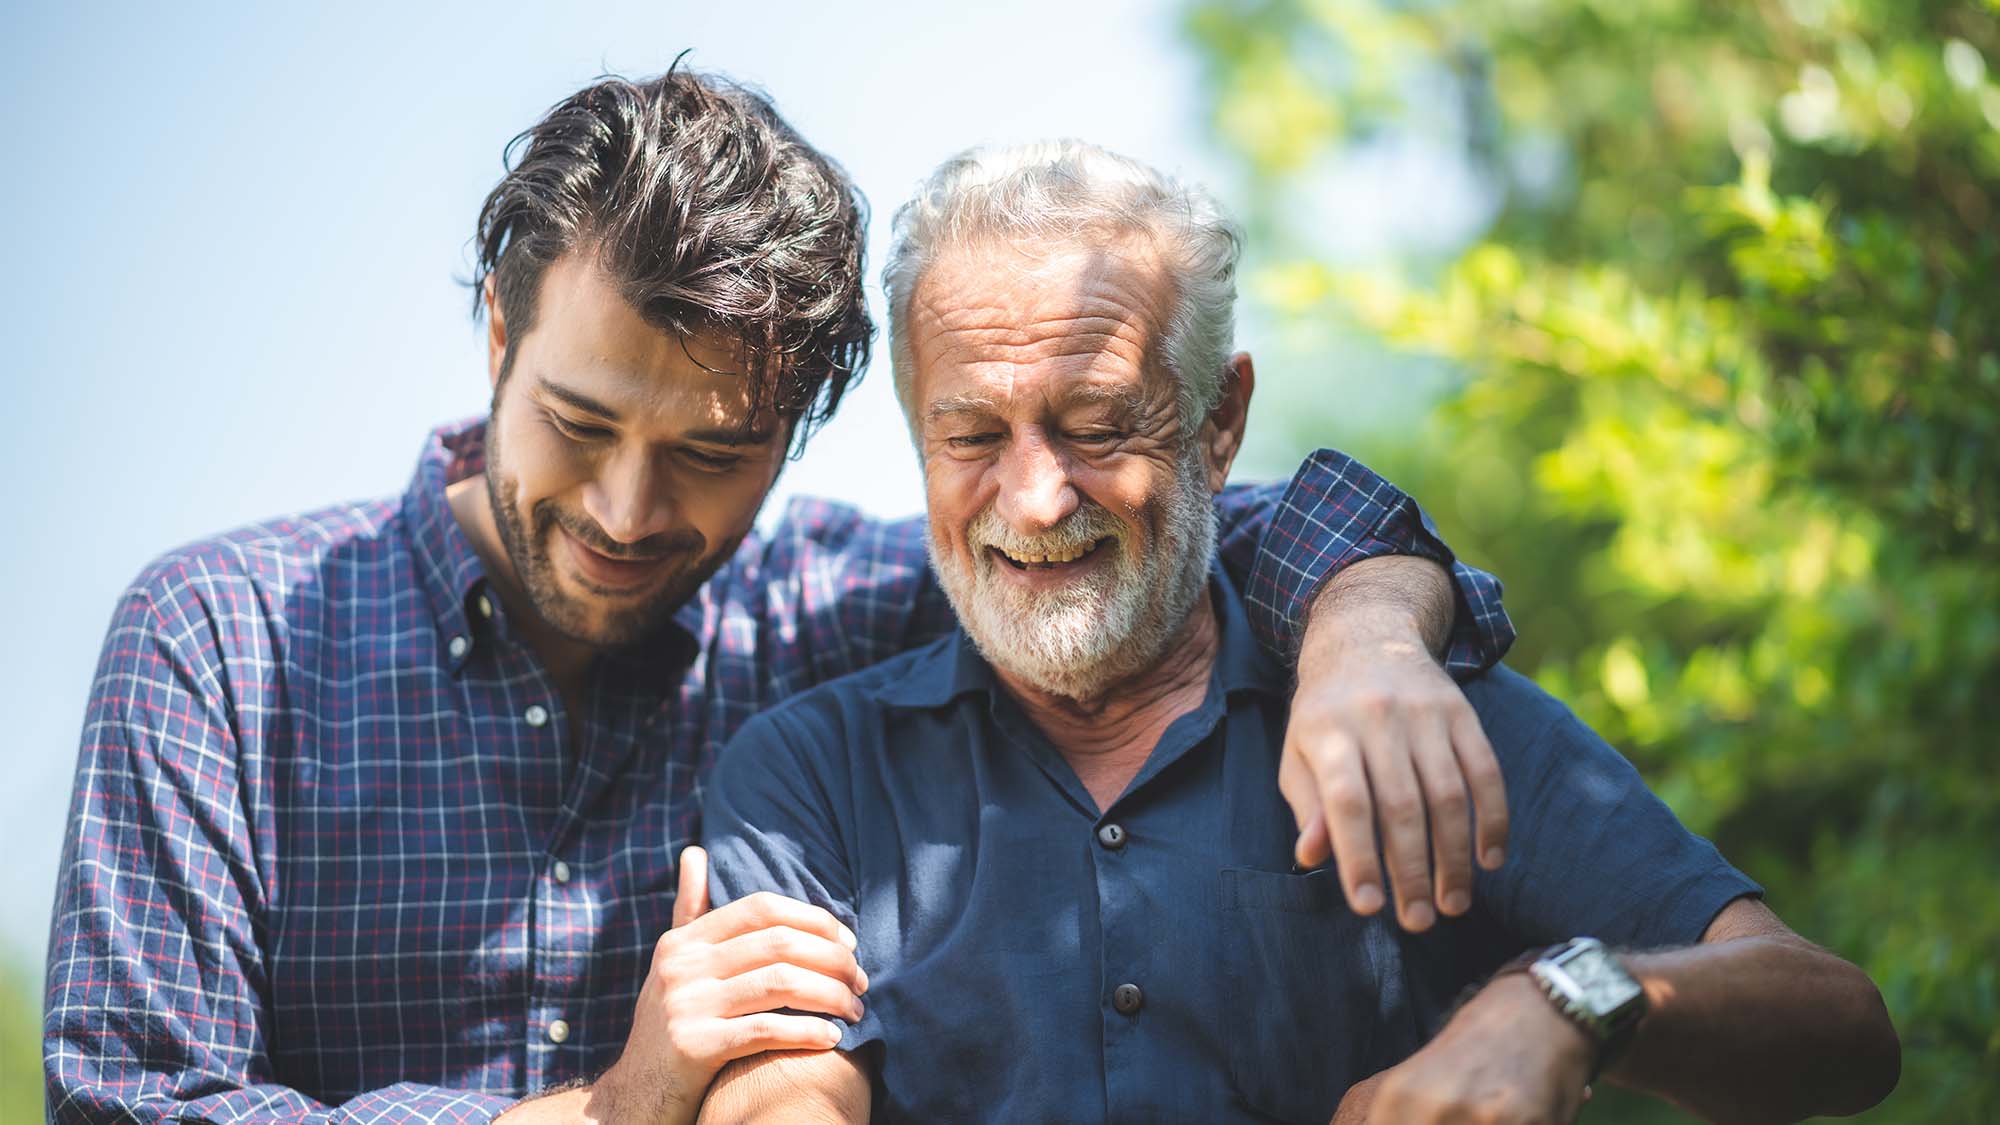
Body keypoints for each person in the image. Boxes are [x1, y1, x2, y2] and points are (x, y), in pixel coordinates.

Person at [43, 70, 1518, 1124]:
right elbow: (129, 1101)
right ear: (497, 331)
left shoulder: (845, 607)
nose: (629, 510)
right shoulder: (216, 643)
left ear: (801, 431)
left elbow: (1173, 522)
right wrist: (608, 1115)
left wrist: (1366, 630)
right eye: (577, 420)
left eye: (708, 452)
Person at [696, 140, 1901, 1123]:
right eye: (970, 437)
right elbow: (785, 1097)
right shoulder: (809, 772)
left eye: (1098, 424)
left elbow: (1837, 1025)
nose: (1033, 497)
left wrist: (1561, 1001)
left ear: (1218, 422)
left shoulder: (1404, 712)